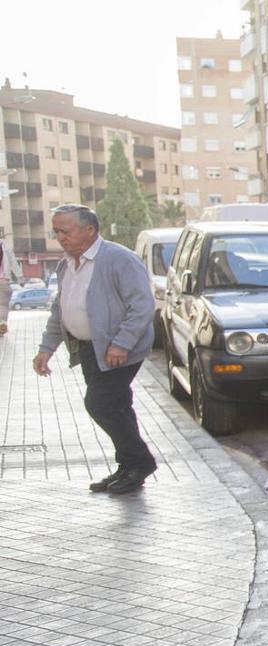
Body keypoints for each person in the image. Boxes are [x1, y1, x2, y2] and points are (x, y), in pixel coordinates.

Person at [33, 205, 157, 494]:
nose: (60, 238)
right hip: (89, 348)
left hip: (119, 350)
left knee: (99, 403)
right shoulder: (67, 263)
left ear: (90, 230)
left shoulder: (118, 259)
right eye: (56, 232)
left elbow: (142, 307)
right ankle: (129, 467)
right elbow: (60, 309)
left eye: (66, 231)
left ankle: (141, 461)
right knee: (117, 406)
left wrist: (121, 344)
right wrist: (46, 348)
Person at [0, 240, 20, 336]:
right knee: (3, 306)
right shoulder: (5, 246)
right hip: (4, 282)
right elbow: (13, 262)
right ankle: (2, 325)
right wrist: (20, 276)